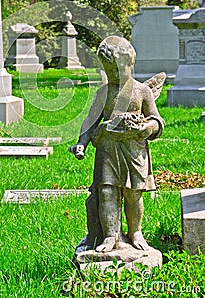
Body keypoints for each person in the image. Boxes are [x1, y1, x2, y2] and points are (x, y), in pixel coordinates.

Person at [69, 36, 165, 253]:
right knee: (106, 194)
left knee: (133, 194)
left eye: (118, 70)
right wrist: (81, 142)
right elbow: (90, 121)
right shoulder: (104, 92)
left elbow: (157, 121)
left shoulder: (142, 91)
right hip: (107, 150)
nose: (113, 75)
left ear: (130, 64)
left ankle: (135, 232)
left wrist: (146, 128)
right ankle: (111, 235)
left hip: (134, 151)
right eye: (109, 70)